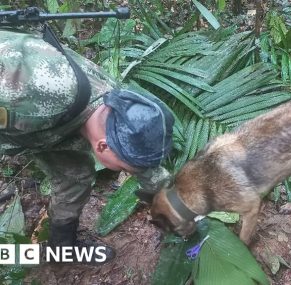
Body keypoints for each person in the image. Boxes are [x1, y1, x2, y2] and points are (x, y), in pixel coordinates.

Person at [0, 28, 174, 263]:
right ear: (102, 147)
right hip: (24, 111)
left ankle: (62, 249)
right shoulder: (32, 93)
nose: (130, 171)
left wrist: (177, 206)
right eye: (125, 169)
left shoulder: (117, 107)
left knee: (75, 176)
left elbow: (144, 165)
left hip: (47, 128)